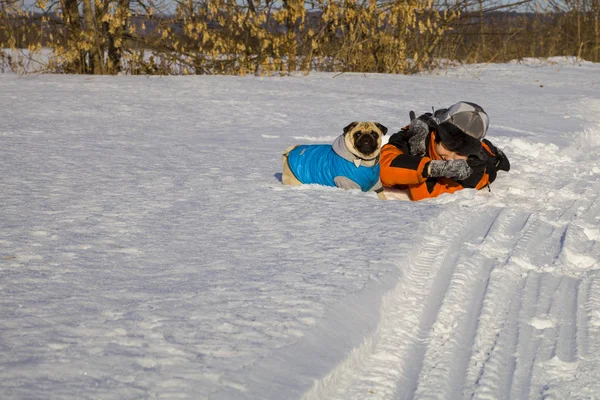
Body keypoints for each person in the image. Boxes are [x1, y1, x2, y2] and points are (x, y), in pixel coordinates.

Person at [379, 101, 510, 201]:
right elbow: (382, 169)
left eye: (460, 153)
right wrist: (433, 168)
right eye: (448, 146)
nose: (450, 158)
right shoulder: (410, 139)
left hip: (487, 159)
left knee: (492, 162)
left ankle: (489, 148)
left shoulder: (474, 165)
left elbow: (433, 194)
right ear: (436, 134)